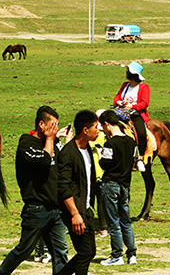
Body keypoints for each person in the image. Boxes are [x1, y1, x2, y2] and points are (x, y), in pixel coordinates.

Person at [0, 106, 69, 275]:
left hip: (56, 209)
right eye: (52, 125)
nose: (55, 129)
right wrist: (50, 140)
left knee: (60, 253)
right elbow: (43, 162)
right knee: (24, 250)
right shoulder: (26, 144)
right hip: (37, 208)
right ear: (41, 125)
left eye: (57, 126)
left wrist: (59, 140)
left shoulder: (54, 143)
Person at [57, 110, 100, 275]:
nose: (99, 130)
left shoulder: (87, 148)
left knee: (89, 252)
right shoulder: (68, 154)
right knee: (85, 253)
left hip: (86, 208)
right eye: (96, 127)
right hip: (74, 211)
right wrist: (75, 214)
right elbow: (63, 186)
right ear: (85, 130)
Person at [97, 110, 138, 265]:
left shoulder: (110, 143)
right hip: (125, 186)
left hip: (111, 184)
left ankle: (116, 256)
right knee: (126, 221)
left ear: (107, 123)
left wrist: (100, 153)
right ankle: (132, 254)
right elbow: (134, 161)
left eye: (102, 126)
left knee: (113, 222)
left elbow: (104, 164)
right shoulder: (131, 142)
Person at [113, 62, 150, 171]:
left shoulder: (143, 87)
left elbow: (145, 103)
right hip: (121, 113)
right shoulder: (125, 85)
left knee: (141, 133)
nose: (126, 74)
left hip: (135, 115)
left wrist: (131, 106)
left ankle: (140, 158)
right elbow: (116, 98)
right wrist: (119, 102)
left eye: (128, 72)